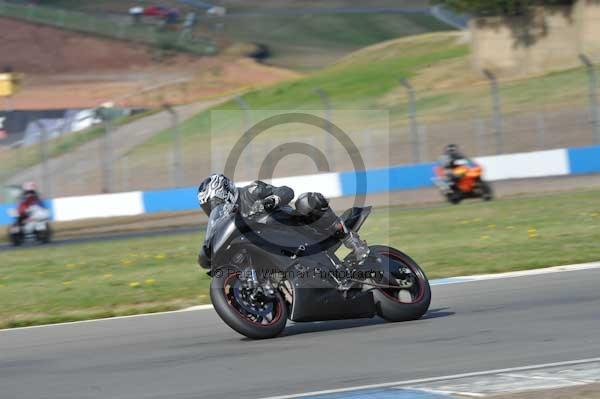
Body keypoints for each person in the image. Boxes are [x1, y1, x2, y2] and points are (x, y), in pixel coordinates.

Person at [196, 174, 369, 268]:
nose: (213, 208)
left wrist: (272, 200)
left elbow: (286, 191)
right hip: (274, 248)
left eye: (215, 202)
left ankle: (351, 241)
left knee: (307, 201)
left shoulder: (251, 191)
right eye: (209, 207)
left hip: (298, 227)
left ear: (225, 192)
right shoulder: (226, 222)